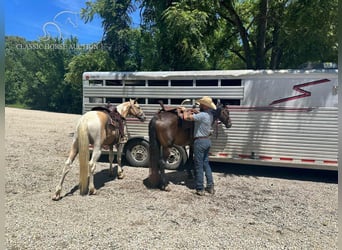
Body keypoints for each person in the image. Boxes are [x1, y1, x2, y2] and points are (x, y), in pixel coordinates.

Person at [178, 96, 216, 196]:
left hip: (199, 142)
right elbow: (202, 115)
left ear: (205, 106)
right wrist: (196, 111)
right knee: (206, 164)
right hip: (207, 141)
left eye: (202, 104)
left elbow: (187, 118)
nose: (200, 105)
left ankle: (200, 188)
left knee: (198, 165)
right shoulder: (209, 115)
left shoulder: (202, 115)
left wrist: (185, 110)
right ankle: (210, 186)